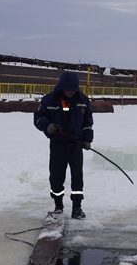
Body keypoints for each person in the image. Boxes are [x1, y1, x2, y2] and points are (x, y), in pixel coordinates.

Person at [34, 71, 93, 219]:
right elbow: (38, 118)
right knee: (56, 176)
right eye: (68, 89)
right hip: (58, 144)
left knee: (77, 177)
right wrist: (47, 126)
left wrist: (87, 139)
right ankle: (58, 206)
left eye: (73, 89)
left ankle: (77, 208)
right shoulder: (49, 100)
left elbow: (87, 122)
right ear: (61, 87)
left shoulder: (82, 100)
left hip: (76, 144)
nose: (71, 92)